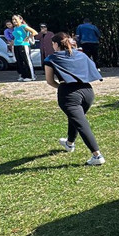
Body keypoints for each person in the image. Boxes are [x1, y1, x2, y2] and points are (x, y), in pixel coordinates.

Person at [44, 32, 105, 165]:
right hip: (88, 91)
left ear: (56, 44)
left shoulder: (51, 58)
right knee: (76, 119)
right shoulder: (81, 54)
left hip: (68, 94)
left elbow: (50, 81)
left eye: (52, 44)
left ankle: (97, 156)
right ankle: (69, 143)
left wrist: (62, 87)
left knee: (81, 123)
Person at [11, 14, 38, 81]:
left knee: (26, 60)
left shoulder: (23, 26)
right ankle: (23, 75)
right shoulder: (15, 28)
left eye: (15, 19)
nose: (14, 21)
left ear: (20, 19)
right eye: (13, 19)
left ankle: (31, 76)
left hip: (23, 45)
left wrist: (28, 37)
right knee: (19, 61)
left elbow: (35, 32)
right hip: (16, 45)